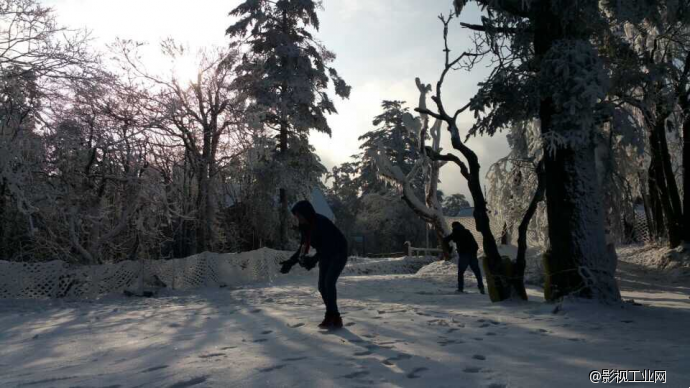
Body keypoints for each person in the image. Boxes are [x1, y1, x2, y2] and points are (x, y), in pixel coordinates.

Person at [279, 200, 349, 329]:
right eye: (297, 217)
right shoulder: (305, 227)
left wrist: (313, 260)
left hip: (339, 252)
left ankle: (335, 316)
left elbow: (328, 246)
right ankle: (331, 315)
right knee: (322, 286)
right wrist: (290, 262)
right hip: (325, 254)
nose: (298, 219)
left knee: (329, 283)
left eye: (300, 216)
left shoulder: (321, 223)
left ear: (307, 214)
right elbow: (303, 247)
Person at [443, 222, 485, 294]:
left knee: (461, 272)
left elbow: (445, 240)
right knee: (477, 272)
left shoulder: (455, 232)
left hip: (464, 255)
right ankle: (481, 288)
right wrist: (473, 252)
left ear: (454, 227)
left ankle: (460, 288)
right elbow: (476, 245)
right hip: (472, 254)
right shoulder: (467, 232)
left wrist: (449, 249)